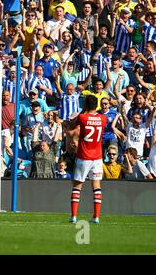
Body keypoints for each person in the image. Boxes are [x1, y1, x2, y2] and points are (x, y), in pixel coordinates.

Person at [68, 95, 107, 224]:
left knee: (77, 186)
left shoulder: (83, 117)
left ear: (85, 105)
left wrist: (83, 110)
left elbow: (72, 125)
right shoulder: (103, 118)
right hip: (97, 157)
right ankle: (96, 217)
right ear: (97, 105)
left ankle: (73, 216)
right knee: (96, 187)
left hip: (84, 156)